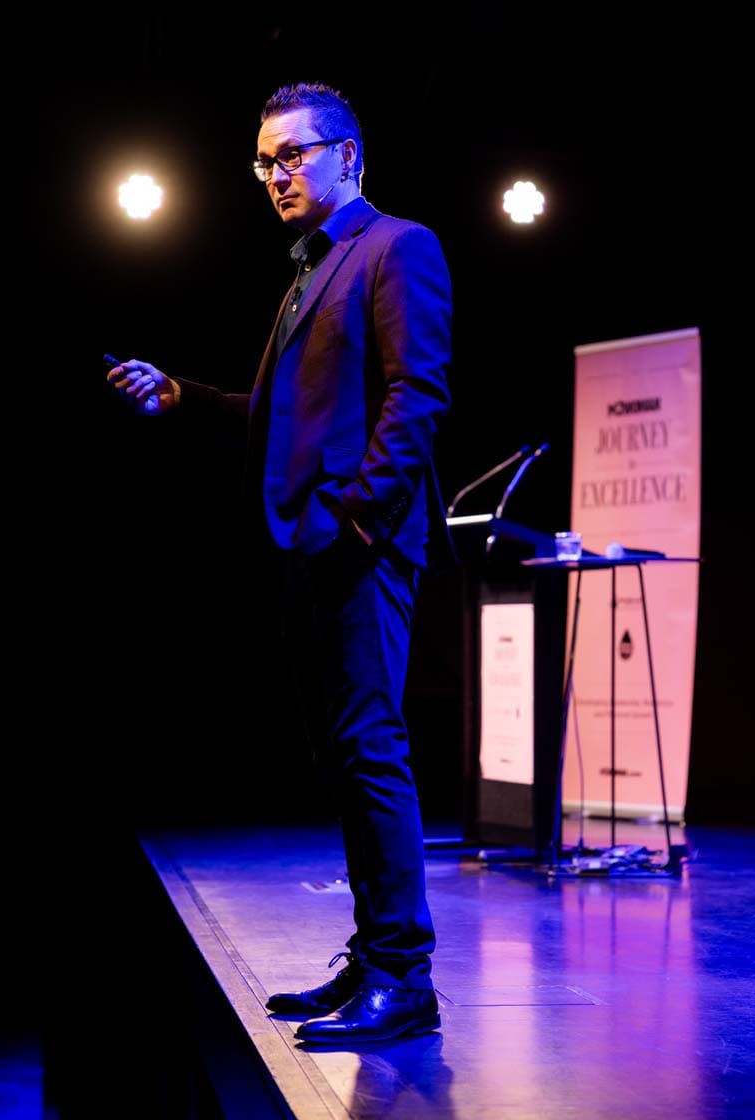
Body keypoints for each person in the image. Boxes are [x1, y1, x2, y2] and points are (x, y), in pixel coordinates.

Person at [107, 82, 453, 1043]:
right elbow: (277, 416)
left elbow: (417, 397)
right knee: (345, 754)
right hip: (314, 543)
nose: (275, 174)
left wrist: (355, 522)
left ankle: (405, 976)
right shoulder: (311, 270)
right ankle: (374, 954)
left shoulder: (395, 247)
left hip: (361, 542)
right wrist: (183, 397)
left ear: (350, 156)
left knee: (372, 748)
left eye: (293, 154)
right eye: (265, 160)